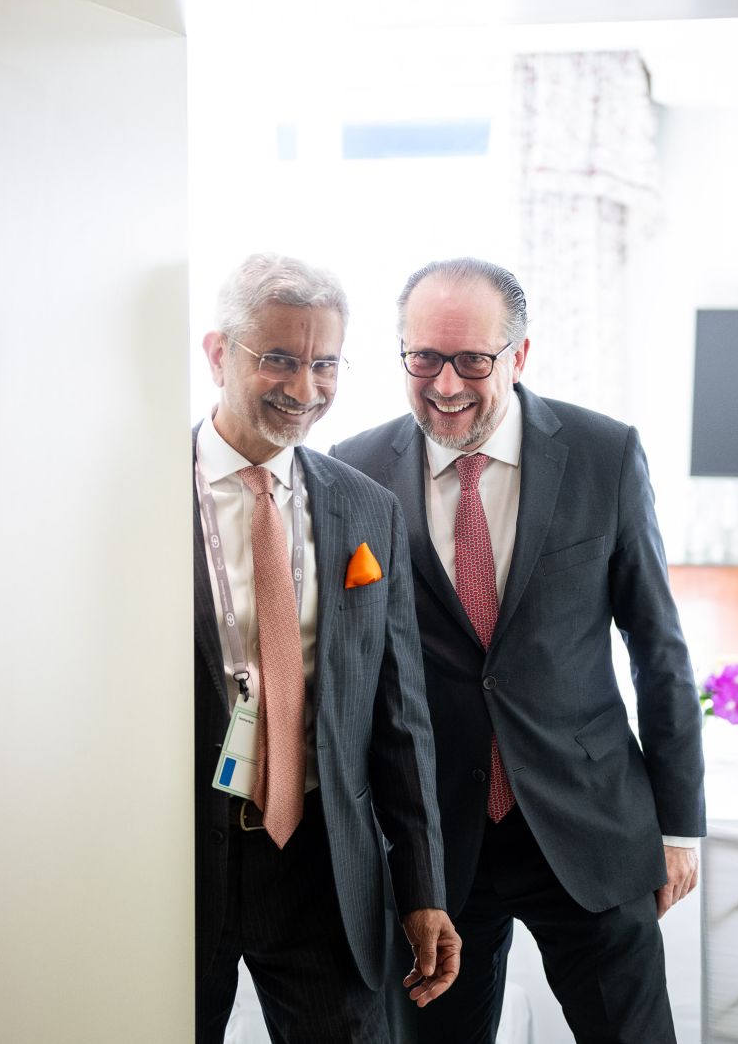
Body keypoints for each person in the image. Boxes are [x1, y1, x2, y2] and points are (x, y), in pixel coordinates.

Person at [330, 258, 705, 1043]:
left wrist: (679, 825)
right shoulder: (352, 470)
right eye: (424, 356)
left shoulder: (606, 454)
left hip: (586, 827)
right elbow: (346, 670)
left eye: (473, 359)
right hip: (432, 847)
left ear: (520, 356)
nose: (445, 382)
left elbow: (658, 648)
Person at [193, 253, 459, 1043]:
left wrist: (423, 887)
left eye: (324, 363)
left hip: (323, 860)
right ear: (218, 354)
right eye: (277, 358)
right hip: (173, 861)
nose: (304, 388)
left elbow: (401, 717)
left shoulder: (366, 508)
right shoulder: (140, 490)